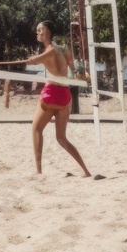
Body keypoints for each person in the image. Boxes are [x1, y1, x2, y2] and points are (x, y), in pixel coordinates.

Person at [25, 21, 90, 177]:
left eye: (41, 30)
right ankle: (86, 171)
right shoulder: (64, 49)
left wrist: (31, 60)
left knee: (36, 129)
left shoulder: (49, 51)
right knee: (61, 138)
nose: (38, 32)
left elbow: (37, 59)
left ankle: (39, 171)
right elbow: (74, 68)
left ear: (49, 32)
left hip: (52, 93)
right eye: (37, 30)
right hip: (65, 96)